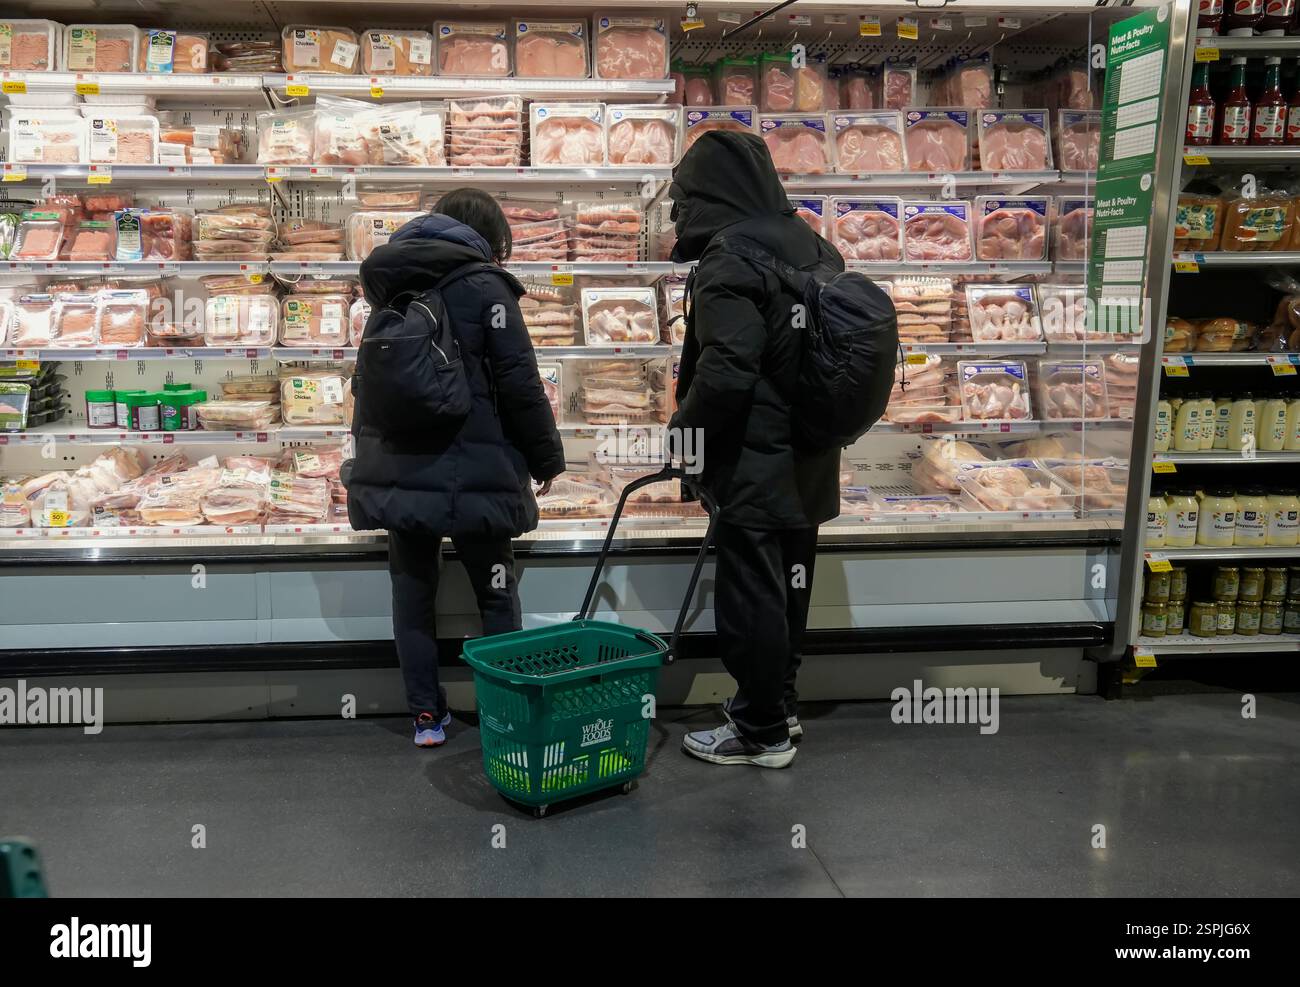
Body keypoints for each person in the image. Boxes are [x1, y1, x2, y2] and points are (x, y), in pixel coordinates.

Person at [347, 189, 565, 748]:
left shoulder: (389, 284)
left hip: (401, 468)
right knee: (494, 590)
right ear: (488, 238)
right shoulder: (488, 288)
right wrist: (546, 456)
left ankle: (426, 718)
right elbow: (520, 384)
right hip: (479, 468)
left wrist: (365, 460)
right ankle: (509, 713)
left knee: (412, 596)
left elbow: (370, 386)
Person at [668, 131, 844, 769]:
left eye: (685, 199)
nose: (681, 214)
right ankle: (783, 707)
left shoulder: (730, 258)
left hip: (754, 460)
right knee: (791, 587)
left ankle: (759, 730)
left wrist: (682, 433)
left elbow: (728, 369)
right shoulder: (816, 247)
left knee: (752, 594)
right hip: (812, 454)